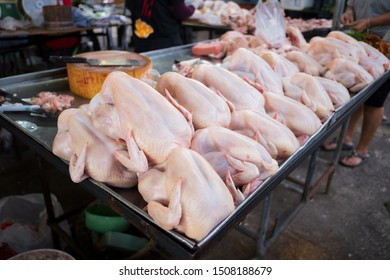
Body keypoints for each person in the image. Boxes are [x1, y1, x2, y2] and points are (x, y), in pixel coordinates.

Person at [323, 0, 390, 168]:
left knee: (375, 100)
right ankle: (346, 138)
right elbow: (352, 3)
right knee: (359, 90)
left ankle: (362, 150)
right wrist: (349, 13)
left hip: (385, 41)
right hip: (361, 39)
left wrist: (368, 22)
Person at [126, 0, 198, 53]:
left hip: (141, 41)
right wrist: (195, 5)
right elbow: (182, 13)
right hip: (166, 42)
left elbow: (129, 6)